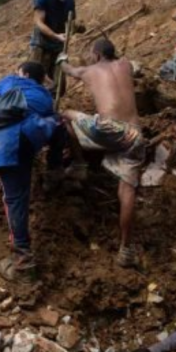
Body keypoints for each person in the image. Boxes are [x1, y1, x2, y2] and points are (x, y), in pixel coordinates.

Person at [58, 39, 147, 268]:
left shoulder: (90, 69)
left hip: (109, 128)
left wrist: (62, 60)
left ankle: (79, 165)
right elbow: (137, 68)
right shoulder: (126, 64)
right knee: (127, 189)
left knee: (66, 114)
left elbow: (69, 70)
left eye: (90, 53)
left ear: (96, 55)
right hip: (134, 135)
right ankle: (126, 249)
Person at [0, 62, 62, 283]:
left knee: (15, 200)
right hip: (33, 137)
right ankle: (55, 170)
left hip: (8, 144)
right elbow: (47, 114)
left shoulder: (12, 80)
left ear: (24, 74)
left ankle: (23, 262)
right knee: (60, 121)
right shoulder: (45, 95)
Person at [30, 0, 76, 81]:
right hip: (41, 44)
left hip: (58, 47)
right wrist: (56, 35)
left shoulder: (70, 2)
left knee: (59, 85)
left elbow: (71, 23)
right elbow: (38, 22)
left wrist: (75, 29)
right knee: (35, 80)